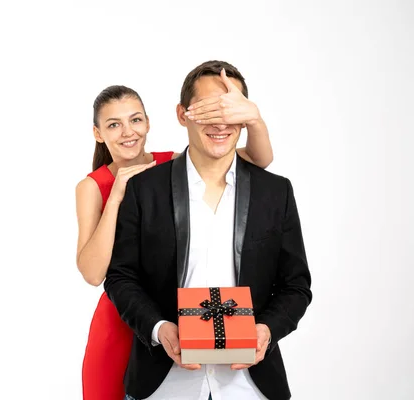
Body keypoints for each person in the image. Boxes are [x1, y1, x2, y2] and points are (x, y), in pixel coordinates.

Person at [104, 60, 312, 400]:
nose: (221, 124)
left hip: (250, 384)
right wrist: (159, 330)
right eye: (208, 111)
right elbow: (120, 277)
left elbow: (296, 285)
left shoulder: (276, 192)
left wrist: (266, 330)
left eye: (230, 111)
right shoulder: (144, 189)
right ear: (182, 114)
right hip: (162, 383)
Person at [76, 78, 275, 400]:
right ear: (98, 134)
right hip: (120, 320)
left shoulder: (173, 164)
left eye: (135, 120)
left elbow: (258, 160)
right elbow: (92, 273)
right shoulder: (92, 186)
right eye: (114, 125)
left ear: (148, 123)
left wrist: (253, 118)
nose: (128, 132)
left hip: (175, 311)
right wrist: (116, 196)